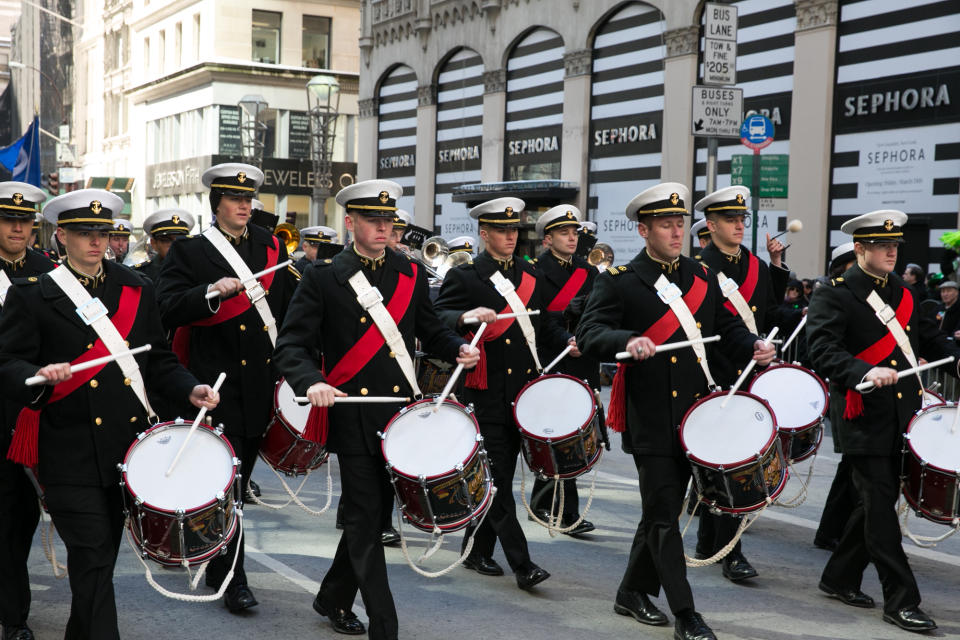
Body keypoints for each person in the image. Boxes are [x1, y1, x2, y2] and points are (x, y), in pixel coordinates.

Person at [0, 188, 219, 640]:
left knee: (97, 560)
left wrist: (189, 387)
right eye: (84, 233)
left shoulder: (136, 289)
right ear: (61, 236)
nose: (96, 242)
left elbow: (158, 361)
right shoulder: (34, 295)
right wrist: (39, 374)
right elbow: (7, 362)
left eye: (102, 232)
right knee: (93, 553)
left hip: (125, 449)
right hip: (68, 450)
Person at [274, 179, 478, 640]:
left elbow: (429, 327)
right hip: (353, 416)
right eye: (373, 220)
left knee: (373, 512)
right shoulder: (324, 277)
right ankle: (385, 626)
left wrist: (458, 347)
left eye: (389, 220)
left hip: (399, 416)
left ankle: (331, 597)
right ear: (351, 223)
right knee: (367, 517)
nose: (384, 228)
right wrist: (314, 382)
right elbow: (290, 346)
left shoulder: (407, 272)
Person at [577, 182, 774, 640]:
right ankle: (687, 614)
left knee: (657, 514)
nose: (675, 231)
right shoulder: (623, 278)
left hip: (697, 413)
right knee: (665, 517)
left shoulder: (701, 276)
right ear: (644, 229)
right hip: (651, 415)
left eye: (680, 223)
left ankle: (631, 592)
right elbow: (590, 331)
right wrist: (626, 340)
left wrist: (754, 346)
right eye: (665, 224)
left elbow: (725, 327)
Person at [806, 209, 960, 633]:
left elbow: (934, 339)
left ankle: (838, 577)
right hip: (862, 414)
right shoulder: (834, 293)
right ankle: (901, 598)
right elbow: (819, 349)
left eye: (894, 246)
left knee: (878, 500)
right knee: (879, 504)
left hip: (905, 414)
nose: (891, 251)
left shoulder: (905, 294)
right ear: (860, 249)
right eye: (881, 245)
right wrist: (862, 371)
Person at [156, 162, 298, 612]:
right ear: (216, 202)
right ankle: (233, 578)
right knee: (228, 485)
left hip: (259, 382)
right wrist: (211, 293)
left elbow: (291, 311)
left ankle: (214, 555)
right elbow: (167, 307)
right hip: (215, 384)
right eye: (235, 198)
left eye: (248, 198)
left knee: (238, 482)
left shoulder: (271, 246)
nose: (243, 205)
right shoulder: (192, 250)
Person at [434, 196, 569, 591]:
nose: (511, 236)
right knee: (495, 480)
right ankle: (523, 564)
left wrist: (569, 340)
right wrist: (465, 317)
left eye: (515, 230)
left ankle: (476, 550)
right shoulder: (467, 276)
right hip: (487, 391)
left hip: (523, 392)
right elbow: (437, 317)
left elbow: (546, 327)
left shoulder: (531, 276)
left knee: (502, 476)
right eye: (502, 230)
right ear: (484, 233)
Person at [689, 185, 788, 583]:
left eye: (742, 219)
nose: (738, 226)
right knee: (720, 461)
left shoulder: (756, 265)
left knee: (735, 462)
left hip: (748, 371)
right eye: (730, 220)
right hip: (711, 373)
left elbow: (766, 309)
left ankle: (716, 544)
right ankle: (727, 549)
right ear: (710, 226)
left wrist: (778, 266)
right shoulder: (697, 265)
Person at [0, 183, 56, 640]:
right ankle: (13, 615)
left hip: (29, 414)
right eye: (7, 220)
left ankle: (11, 608)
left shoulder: (49, 272)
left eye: (25, 220)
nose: (18, 227)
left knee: (20, 517)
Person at [527, 204, 602, 536]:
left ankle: (544, 504)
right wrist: (564, 319)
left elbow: (599, 315)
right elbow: (535, 320)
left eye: (574, 233)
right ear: (547, 239)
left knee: (570, 433)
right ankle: (564, 511)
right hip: (549, 358)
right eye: (563, 233)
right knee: (552, 433)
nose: (572, 238)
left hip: (580, 359)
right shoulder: (534, 272)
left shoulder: (589, 272)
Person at [813, 242, 858, 552]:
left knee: (853, 469)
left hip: (877, 391)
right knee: (854, 466)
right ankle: (833, 531)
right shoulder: (836, 295)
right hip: (851, 390)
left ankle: (832, 530)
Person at [132, 209, 195, 284]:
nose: (175, 245)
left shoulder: (197, 270)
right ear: (154, 244)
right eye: (167, 240)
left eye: (180, 240)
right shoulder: (140, 274)